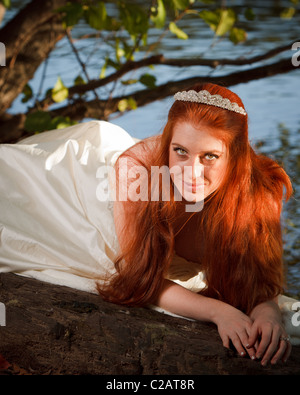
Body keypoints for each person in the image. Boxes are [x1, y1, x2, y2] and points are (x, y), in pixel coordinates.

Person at [0, 82, 299, 366]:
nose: (191, 173)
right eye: (180, 150)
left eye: (209, 156)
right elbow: (139, 278)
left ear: (236, 157)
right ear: (167, 144)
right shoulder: (138, 170)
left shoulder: (261, 190)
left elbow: (260, 281)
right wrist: (219, 312)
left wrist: (268, 312)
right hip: (82, 209)